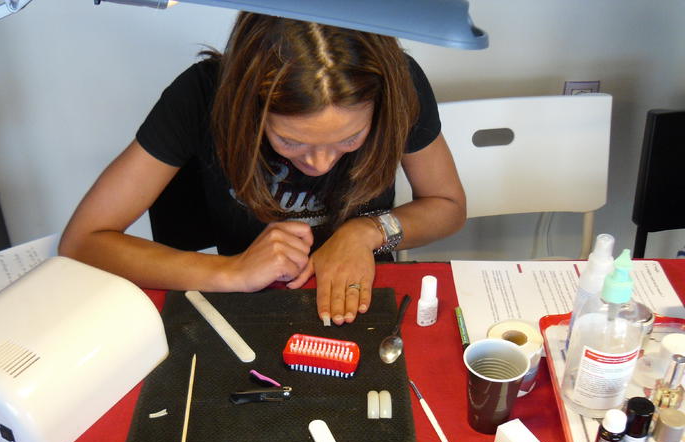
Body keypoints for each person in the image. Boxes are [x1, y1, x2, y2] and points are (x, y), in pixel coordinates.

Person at [59, 12, 465, 326]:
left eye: (349, 139)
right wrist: (231, 271)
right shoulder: (201, 96)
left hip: (363, 298)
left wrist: (366, 232)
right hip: (247, 307)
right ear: (248, 103)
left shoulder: (399, 86)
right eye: (292, 142)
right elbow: (83, 241)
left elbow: (447, 205)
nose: (320, 163)